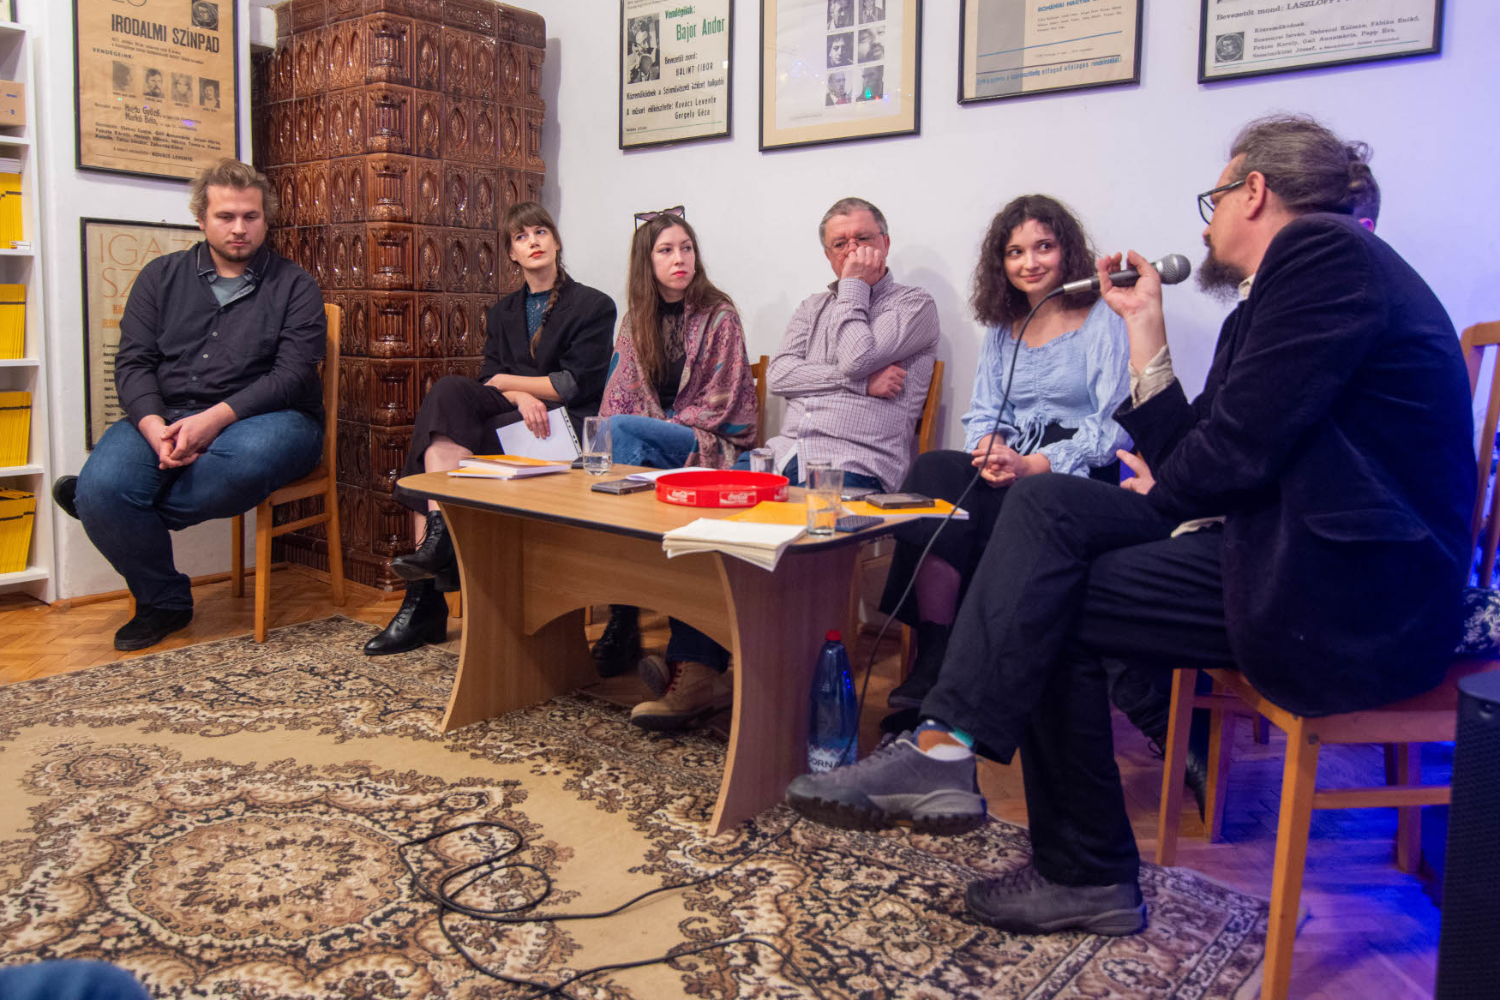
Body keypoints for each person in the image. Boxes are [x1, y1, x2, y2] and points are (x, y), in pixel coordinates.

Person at [785, 114, 1474, 937]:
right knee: (1044, 514)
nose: (1207, 222)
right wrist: (1146, 322)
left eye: (1216, 198)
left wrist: (1172, 481)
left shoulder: (1323, 255)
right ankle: (956, 758)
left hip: (1345, 587)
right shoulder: (1283, 291)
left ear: (1254, 192)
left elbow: (1221, 461)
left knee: (1046, 589)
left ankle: (1036, 828)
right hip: (1284, 544)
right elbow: (1200, 454)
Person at [52, 159, 326, 651]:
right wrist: (153, 425)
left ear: (265, 220)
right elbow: (133, 362)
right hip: (167, 413)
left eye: (251, 216)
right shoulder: (159, 277)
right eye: (226, 216)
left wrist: (215, 419)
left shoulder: (295, 285)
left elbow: (292, 375)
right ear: (201, 219)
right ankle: (164, 601)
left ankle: (104, 508)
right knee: (107, 486)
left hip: (271, 419)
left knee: (236, 464)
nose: (239, 228)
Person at [877, 195, 1129, 715]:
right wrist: (990, 447)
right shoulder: (1003, 326)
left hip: (1078, 472)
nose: (1029, 262)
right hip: (1015, 461)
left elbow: (1115, 424)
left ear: (1068, 250)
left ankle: (979, 673)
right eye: (1015, 252)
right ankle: (936, 653)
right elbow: (986, 410)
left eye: (1043, 247)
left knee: (1020, 498)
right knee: (933, 470)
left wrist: (1035, 464)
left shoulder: (1102, 316)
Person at [366, 202, 616, 655]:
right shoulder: (503, 312)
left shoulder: (594, 305)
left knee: (436, 441)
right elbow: (489, 378)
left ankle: (425, 597)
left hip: (565, 428)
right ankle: (438, 544)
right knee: (447, 394)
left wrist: (510, 385)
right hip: (514, 419)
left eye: (541, 232)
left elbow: (573, 384)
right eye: (521, 237)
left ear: (557, 242)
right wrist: (519, 396)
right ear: (511, 254)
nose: (533, 242)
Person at [592, 209, 758, 730]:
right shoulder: (633, 320)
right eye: (666, 250)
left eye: (686, 248)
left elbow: (726, 398)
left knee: (620, 434)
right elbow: (618, 395)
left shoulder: (719, 315)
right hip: (655, 452)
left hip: (708, 443)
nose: (679, 258)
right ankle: (649, 612)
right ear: (646, 261)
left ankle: (627, 606)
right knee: (610, 436)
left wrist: (657, 426)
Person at [754, 197, 937, 495]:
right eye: (840, 244)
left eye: (863, 238)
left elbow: (857, 360)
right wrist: (861, 384)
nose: (852, 250)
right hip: (781, 456)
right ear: (828, 256)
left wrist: (855, 284)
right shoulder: (812, 307)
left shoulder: (913, 304)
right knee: (713, 509)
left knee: (806, 523)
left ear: (885, 243)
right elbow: (779, 376)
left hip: (854, 464)